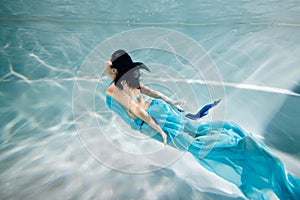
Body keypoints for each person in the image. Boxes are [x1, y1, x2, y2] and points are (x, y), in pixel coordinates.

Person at [104, 50, 300, 199]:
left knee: (196, 146)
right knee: (198, 134)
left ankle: (246, 155)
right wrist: (172, 103)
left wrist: (158, 130)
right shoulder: (129, 81)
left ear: (114, 69)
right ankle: (247, 150)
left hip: (153, 118)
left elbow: (136, 110)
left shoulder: (113, 90)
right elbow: (151, 93)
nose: (106, 65)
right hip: (160, 109)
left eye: (110, 64)